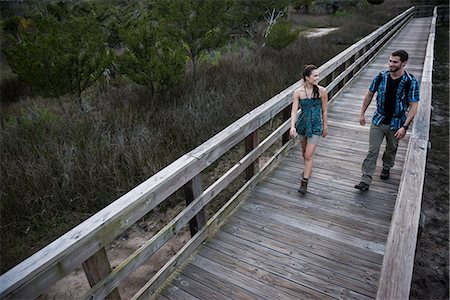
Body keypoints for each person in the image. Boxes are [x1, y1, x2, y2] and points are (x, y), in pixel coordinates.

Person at [354, 49, 420, 191]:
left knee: (391, 149)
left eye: (395, 62)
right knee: (373, 150)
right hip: (378, 119)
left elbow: (414, 106)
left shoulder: (411, 82)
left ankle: (386, 167)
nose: (391, 64)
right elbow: (369, 95)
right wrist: (362, 113)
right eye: (390, 61)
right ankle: (365, 179)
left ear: (404, 63)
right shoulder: (381, 76)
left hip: (397, 122)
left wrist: (405, 127)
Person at [290, 64, 328, 194]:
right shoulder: (298, 93)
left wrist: (325, 126)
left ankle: (304, 182)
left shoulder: (322, 91)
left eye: (318, 75)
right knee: (304, 152)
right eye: (315, 76)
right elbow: (294, 111)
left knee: (308, 155)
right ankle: (307, 167)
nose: (318, 78)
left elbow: (324, 110)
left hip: (316, 125)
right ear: (307, 78)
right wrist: (292, 127)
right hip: (302, 125)